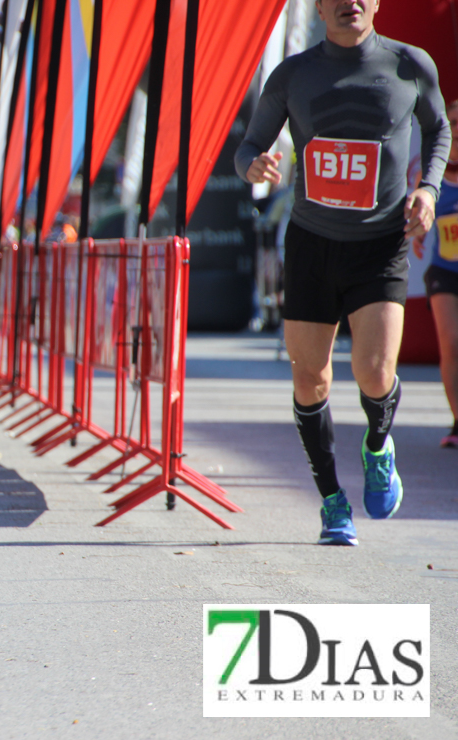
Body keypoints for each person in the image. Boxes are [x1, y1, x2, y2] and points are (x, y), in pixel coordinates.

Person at [235, 0, 450, 546]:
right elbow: (249, 146)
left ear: (375, 2)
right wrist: (253, 165)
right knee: (311, 378)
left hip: (379, 245)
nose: (349, 1)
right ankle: (333, 502)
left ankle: (378, 447)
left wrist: (427, 188)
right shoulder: (294, 74)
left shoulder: (410, 65)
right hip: (311, 246)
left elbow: (438, 129)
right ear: (319, 6)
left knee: (376, 373)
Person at [414, 99, 458, 449]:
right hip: (444, 270)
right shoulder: (433, 173)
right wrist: (417, 231)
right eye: (453, 121)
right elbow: (417, 212)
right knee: (452, 343)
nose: (457, 128)